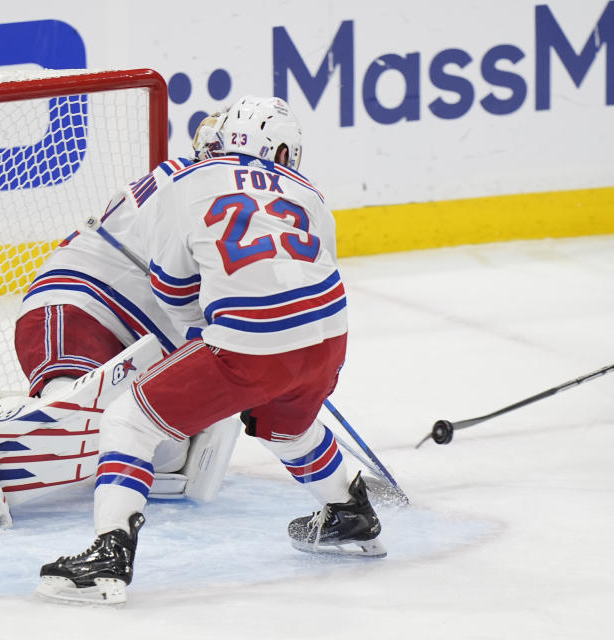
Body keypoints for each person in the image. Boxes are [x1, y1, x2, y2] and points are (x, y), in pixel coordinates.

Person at [36, 96, 384, 606]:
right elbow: (321, 264)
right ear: (281, 150)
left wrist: (204, 335)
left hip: (249, 342)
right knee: (286, 426)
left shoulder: (187, 180)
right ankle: (349, 512)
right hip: (329, 336)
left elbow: (173, 286)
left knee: (129, 419)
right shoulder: (308, 191)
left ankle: (108, 556)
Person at [0, 114, 241, 526]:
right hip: (81, 307)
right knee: (66, 415)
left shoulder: (235, 209)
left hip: (140, 337)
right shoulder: (179, 183)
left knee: (167, 456)